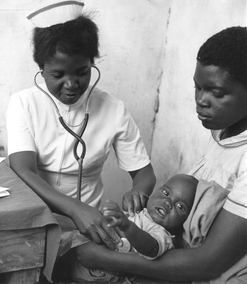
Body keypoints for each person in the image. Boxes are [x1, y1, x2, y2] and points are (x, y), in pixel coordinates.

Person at [74, 26, 247, 283]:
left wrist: (105, 258)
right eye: (197, 87)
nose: (201, 100)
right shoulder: (224, 133)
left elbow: (207, 263)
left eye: (217, 93)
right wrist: (147, 207)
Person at [6, 0, 156, 280]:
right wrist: (76, 209)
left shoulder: (113, 108)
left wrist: (139, 193)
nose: (72, 84)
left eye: (82, 72)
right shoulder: (23, 103)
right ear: (41, 69)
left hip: (92, 224)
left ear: (92, 63)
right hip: (39, 218)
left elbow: (144, 174)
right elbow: (23, 170)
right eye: (58, 74)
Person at [70, 174, 198, 283]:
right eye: (165, 193)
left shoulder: (163, 234)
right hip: (91, 260)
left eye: (180, 206)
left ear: (183, 223)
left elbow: (151, 248)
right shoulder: (142, 212)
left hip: (107, 274)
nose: (168, 202)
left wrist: (127, 226)